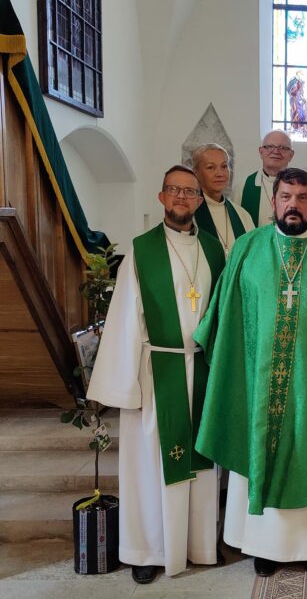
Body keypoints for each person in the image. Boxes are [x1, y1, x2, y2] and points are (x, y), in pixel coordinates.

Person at [194, 168, 307, 577]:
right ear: (274, 201)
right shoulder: (248, 248)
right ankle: (262, 548)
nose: (293, 205)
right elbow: (222, 316)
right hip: (256, 384)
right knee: (259, 450)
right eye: (285, 196)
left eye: (302, 198)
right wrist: (229, 374)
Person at [87, 165, 226, 584]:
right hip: (156, 372)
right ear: (161, 196)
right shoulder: (141, 250)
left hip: (202, 368)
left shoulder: (214, 250)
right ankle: (147, 550)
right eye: (174, 190)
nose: (182, 197)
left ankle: (200, 544)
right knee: (149, 467)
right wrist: (123, 383)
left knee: (202, 466)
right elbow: (125, 318)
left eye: (190, 192)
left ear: (199, 201)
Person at [192, 143, 254, 257]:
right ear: (196, 172)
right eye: (210, 167)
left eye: (224, 166)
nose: (219, 174)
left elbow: (253, 256)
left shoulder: (242, 215)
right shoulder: (189, 215)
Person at [234, 130, 294, 227]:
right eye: (269, 147)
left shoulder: (301, 188)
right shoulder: (242, 188)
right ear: (261, 152)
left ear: (291, 155)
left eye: (283, 148)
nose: (276, 151)